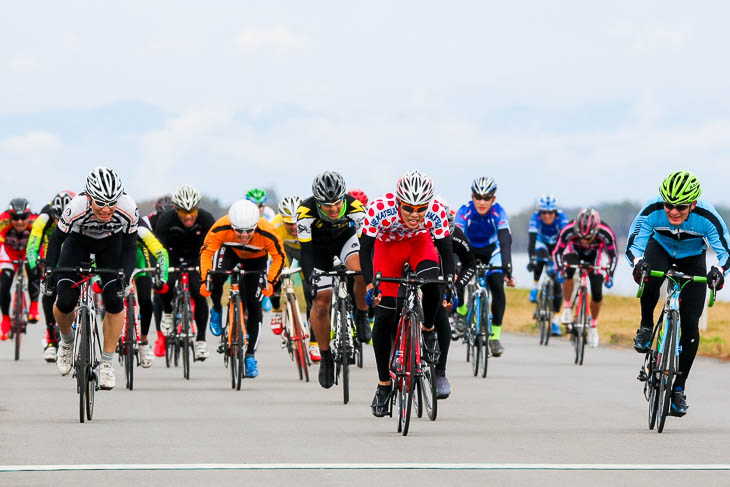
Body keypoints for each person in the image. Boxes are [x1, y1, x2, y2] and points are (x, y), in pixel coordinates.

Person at [627, 170, 729, 416]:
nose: (673, 211)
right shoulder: (652, 210)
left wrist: (718, 271)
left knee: (691, 324)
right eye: (668, 205)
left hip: (692, 258)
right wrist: (638, 262)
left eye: (680, 207)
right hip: (659, 250)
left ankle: (678, 389)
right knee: (650, 276)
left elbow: (726, 253)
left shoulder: (708, 218)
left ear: (693, 204)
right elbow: (634, 244)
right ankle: (645, 326)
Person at [359, 170, 455, 416]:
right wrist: (371, 285)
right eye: (409, 208)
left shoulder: (436, 212)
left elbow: (445, 251)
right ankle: (383, 384)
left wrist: (450, 284)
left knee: (433, 283)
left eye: (421, 208)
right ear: (398, 202)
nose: (415, 214)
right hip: (387, 248)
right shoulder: (380, 208)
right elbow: (365, 249)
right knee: (383, 316)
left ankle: (428, 329)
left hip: (418, 245)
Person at [46, 167, 139, 390]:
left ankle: (106, 363)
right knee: (65, 300)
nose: (107, 209)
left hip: (111, 244)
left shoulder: (128, 208)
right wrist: (50, 273)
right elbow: (56, 240)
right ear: (89, 197)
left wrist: (124, 278)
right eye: (100, 203)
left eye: (112, 203)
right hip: (78, 243)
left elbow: (130, 247)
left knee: (115, 301)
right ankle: (67, 342)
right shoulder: (75, 207)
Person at [297, 171, 369, 389]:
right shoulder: (304, 212)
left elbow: (366, 246)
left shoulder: (356, 208)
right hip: (318, 251)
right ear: (318, 202)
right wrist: (310, 280)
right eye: (327, 205)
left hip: (345, 243)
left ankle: (362, 314)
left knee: (361, 270)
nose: (334, 209)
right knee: (320, 303)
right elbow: (306, 252)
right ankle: (326, 357)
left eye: (337, 203)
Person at [200, 199, 284, 378]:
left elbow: (279, 257)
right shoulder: (221, 227)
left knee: (255, 305)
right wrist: (204, 281)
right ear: (231, 225)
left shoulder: (268, 231)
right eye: (239, 231)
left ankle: (251, 356)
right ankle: (216, 308)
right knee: (215, 278)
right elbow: (207, 253)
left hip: (257, 259)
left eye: (248, 231)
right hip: (230, 252)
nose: (244, 235)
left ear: (256, 225)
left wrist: (270, 281)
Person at [455, 177, 515, 357]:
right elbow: (457, 237)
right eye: (478, 197)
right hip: (469, 249)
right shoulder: (464, 211)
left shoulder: (499, 212)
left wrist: (507, 266)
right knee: (459, 275)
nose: (482, 202)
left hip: (492, 250)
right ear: (472, 197)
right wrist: (457, 263)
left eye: (487, 198)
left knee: (497, 286)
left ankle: (495, 337)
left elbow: (505, 240)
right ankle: (461, 311)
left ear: (493, 199)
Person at [155, 184, 215, 360]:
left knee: (199, 292)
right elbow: (159, 247)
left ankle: (201, 341)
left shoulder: (206, 219)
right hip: (171, 256)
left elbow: (212, 245)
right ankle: (167, 311)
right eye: (183, 212)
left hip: (196, 258)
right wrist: (161, 269)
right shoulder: (166, 220)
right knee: (166, 283)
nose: (188, 216)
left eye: (192, 212)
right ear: (176, 209)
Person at [552, 208, 617, 347]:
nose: (585, 241)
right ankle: (568, 306)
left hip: (596, 256)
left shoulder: (605, 232)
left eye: (588, 238)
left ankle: (593, 325)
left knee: (597, 292)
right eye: (581, 237)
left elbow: (613, 256)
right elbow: (557, 252)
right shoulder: (568, 229)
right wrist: (559, 270)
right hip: (574, 253)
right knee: (568, 269)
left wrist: (610, 275)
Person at [431, 196, 475, 399]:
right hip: (414, 272)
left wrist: (456, 287)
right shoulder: (415, 229)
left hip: (440, 277)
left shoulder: (456, 234)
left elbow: (470, 265)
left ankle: (440, 373)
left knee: (441, 318)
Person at [270, 195, 320, 361]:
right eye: (288, 223)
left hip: (306, 252)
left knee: (312, 294)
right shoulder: (275, 225)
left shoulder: (311, 221)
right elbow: (270, 250)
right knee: (275, 276)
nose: (293, 227)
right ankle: (277, 310)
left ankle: (314, 344)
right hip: (286, 252)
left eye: (295, 222)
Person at [26, 190, 75, 360]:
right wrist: (34, 265)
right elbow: (33, 242)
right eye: (56, 218)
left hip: (73, 246)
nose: (58, 221)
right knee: (49, 288)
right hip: (51, 246)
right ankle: (51, 338)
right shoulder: (44, 218)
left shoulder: (78, 213)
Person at [527, 194, 569, 336]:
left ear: (555, 212)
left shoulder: (562, 219)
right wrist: (531, 259)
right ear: (540, 212)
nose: (547, 216)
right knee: (539, 258)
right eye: (544, 212)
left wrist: (564, 260)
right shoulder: (535, 218)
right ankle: (534, 287)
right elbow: (532, 241)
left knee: (558, 285)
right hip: (541, 243)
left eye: (550, 212)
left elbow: (566, 239)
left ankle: (555, 321)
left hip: (557, 245)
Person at [0, 198, 39, 340]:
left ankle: (34, 306)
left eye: (23, 217)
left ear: (29, 216)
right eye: (15, 218)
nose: (20, 221)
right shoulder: (2, 221)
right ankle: (5, 319)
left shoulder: (36, 222)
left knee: (33, 268)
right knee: (4, 284)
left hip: (29, 252)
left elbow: (43, 241)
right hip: (9, 254)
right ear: (9, 216)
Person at [146, 194, 173, 357]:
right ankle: (161, 338)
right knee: (157, 296)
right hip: (155, 253)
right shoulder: (150, 220)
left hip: (174, 253)